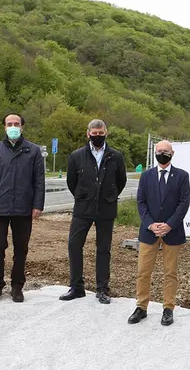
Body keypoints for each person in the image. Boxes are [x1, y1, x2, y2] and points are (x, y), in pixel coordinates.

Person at [0, 113, 45, 303]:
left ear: (22, 127)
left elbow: (39, 181)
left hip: (24, 208)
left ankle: (17, 287)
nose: (13, 126)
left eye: (16, 123)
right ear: (4, 127)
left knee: (21, 249)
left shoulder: (33, 151)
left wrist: (37, 205)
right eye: (10, 124)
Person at [59, 119, 128, 304]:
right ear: (88, 134)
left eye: (101, 133)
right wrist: (83, 196)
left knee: (103, 249)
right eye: (94, 133)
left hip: (106, 208)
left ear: (106, 133)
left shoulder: (116, 156)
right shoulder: (76, 156)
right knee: (74, 245)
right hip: (83, 208)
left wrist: (109, 196)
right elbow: (71, 182)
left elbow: (121, 181)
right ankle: (76, 287)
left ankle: (103, 289)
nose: (98, 136)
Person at [129, 140, 190, 326]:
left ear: (172, 153)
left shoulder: (182, 176)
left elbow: (183, 203)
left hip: (172, 232)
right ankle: (141, 307)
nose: (162, 153)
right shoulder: (146, 176)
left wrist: (169, 225)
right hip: (149, 232)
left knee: (170, 273)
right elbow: (141, 202)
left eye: (166, 151)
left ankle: (168, 308)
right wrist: (150, 224)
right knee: (143, 271)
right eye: (159, 151)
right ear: (155, 153)